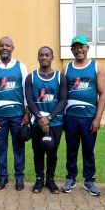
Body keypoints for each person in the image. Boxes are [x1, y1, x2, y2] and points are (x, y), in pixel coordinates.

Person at [61, 35, 105, 196]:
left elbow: (103, 94)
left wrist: (98, 118)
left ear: (87, 48)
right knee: (71, 149)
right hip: (70, 117)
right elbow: (63, 95)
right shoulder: (66, 68)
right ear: (72, 50)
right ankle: (71, 178)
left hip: (89, 117)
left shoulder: (96, 67)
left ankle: (89, 181)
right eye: (76, 47)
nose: (79, 50)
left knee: (89, 150)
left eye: (82, 47)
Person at [0, 36, 29, 191]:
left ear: (13, 48)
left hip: (18, 114)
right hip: (0, 116)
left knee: (18, 146)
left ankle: (19, 178)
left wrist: (27, 113)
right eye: (1, 46)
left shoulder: (21, 67)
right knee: (0, 147)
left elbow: (26, 91)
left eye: (7, 45)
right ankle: (2, 177)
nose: (4, 48)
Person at [25, 46, 67, 194]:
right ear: (38, 57)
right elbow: (29, 100)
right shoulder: (31, 77)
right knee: (37, 151)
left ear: (52, 57)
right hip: (37, 122)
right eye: (41, 55)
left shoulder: (60, 77)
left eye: (47, 55)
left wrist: (48, 118)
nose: (44, 57)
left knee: (52, 151)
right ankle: (39, 180)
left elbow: (63, 100)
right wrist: (40, 118)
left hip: (55, 122)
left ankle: (50, 180)